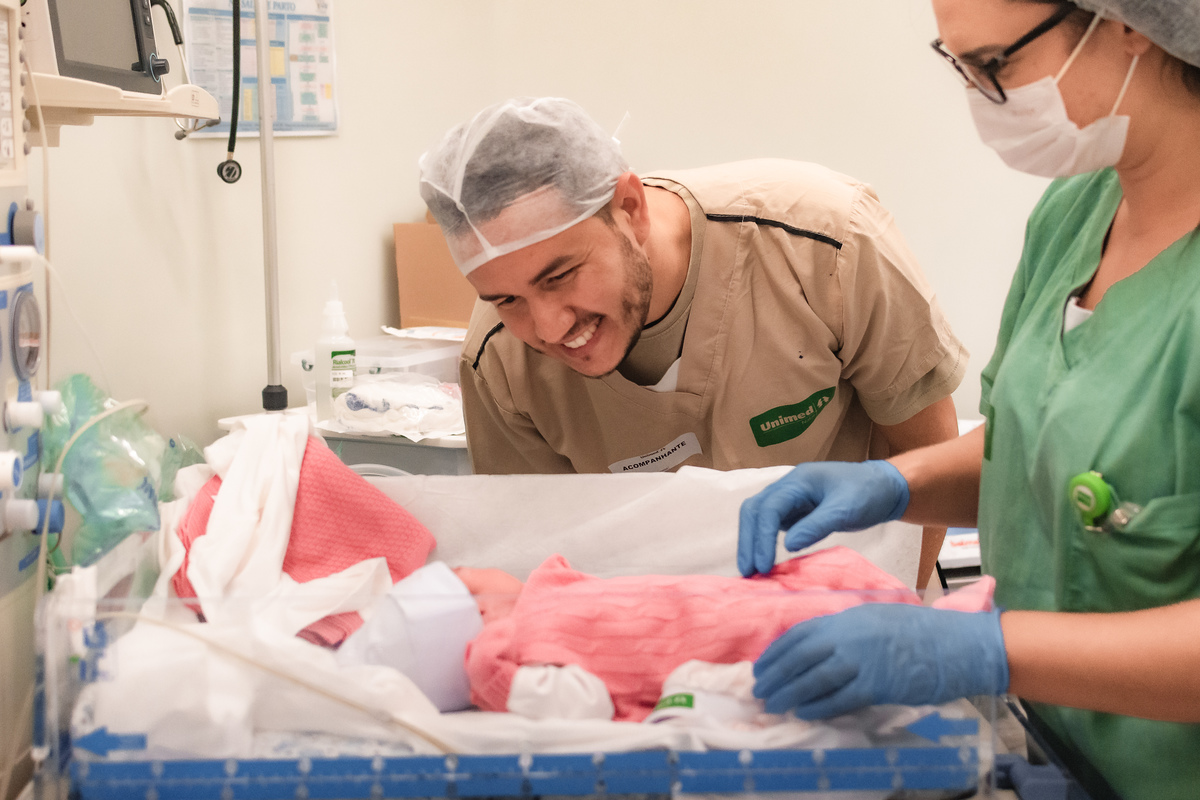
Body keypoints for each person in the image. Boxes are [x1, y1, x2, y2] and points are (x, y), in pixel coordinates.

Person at [736, 2, 1200, 798]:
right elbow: (1046, 435)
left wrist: (986, 650)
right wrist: (898, 484)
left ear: (1128, 22)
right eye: (960, 67)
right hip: (1065, 746)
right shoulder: (1078, 210)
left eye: (996, 66)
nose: (985, 102)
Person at [418, 97, 967, 588]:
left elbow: (926, 445)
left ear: (629, 208)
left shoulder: (823, 246)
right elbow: (541, 557)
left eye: (559, 276)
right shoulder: (500, 363)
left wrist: (897, 608)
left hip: (847, 597)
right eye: (506, 300)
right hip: (642, 634)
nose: (549, 328)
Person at [337, 546, 992, 721]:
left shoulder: (546, 586)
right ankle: (950, 625)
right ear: (471, 615)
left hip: (700, 601)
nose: (473, 563)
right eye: (461, 574)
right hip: (698, 636)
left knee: (795, 586)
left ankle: (921, 613)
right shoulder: (496, 659)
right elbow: (586, 704)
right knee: (785, 627)